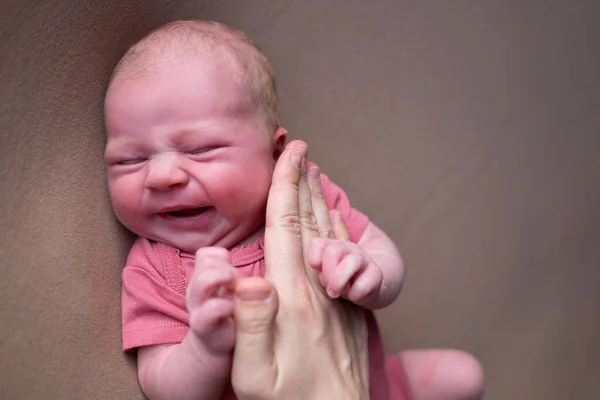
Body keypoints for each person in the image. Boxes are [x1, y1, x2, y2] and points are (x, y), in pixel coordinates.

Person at [103, 20, 484, 400]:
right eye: (129, 160)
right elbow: (160, 384)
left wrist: (372, 274)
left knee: (464, 374)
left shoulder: (304, 202)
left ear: (274, 153)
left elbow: (378, 248)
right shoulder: (154, 269)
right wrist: (204, 346)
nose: (162, 175)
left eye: (200, 150)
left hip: (374, 381)